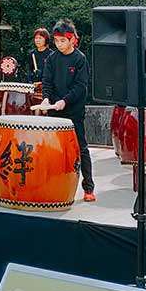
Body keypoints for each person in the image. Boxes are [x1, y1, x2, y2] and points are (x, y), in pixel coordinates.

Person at [37, 19, 95, 202]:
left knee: (81, 148)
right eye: (56, 41)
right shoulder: (52, 59)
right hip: (55, 110)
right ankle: (50, 185)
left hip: (73, 112)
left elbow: (81, 87)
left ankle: (89, 188)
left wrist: (65, 100)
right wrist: (47, 98)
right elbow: (47, 81)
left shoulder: (80, 59)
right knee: (51, 150)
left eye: (62, 41)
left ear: (72, 40)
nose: (59, 44)